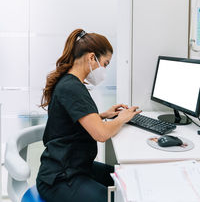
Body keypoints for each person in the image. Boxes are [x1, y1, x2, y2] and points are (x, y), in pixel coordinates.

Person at [36, 28, 141, 202]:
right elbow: (101, 134)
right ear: (92, 57)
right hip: (60, 179)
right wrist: (123, 118)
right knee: (117, 197)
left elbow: (73, 122)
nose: (105, 70)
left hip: (76, 166)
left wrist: (101, 116)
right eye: (105, 64)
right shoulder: (72, 87)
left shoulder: (71, 82)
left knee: (126, 180)